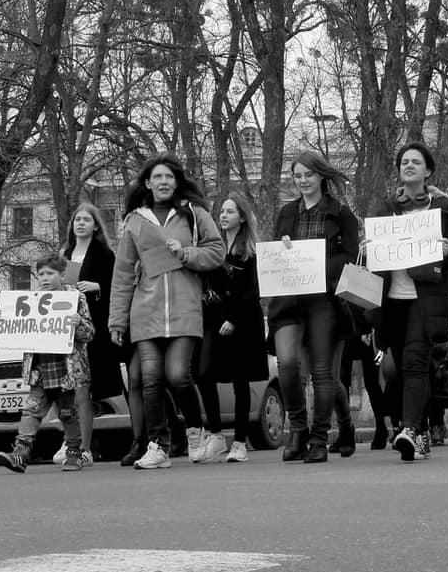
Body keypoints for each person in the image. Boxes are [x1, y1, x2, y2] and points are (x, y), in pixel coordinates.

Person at [108, 153, 224, 470]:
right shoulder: (134, 221)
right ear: (147, 183)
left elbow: (217, 251)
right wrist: (116, 320)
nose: (163, 182)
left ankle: (195, 431)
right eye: (157, 177)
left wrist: (185, 253)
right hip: (145, 312)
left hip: (185, 311)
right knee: (150, 380)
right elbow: (122, 272)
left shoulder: (194, 214)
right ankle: (157, 445)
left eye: (169, 177)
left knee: (178, 376)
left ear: (177, 182)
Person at [372, 142, 448, 462]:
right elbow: (376, 250)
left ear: (427, 171)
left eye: (415, 162)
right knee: (400, 369)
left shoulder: (443, 209)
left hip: (424, 299)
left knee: (414, 362)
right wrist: (369, 246)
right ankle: (422, 429)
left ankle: (408, 429)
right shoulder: (386, 209)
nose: (409, 166)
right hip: (392, 300)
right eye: (404, 162)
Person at [269, 151, 359, 464]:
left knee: (323, 374)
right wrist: (284, 252)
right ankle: (298, 428)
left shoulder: (341, 213)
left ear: (321, 176)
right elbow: (276, 255)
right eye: (297, 176)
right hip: (290, 301)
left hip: (326, 301)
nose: (303, 181)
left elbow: (350, 257)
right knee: (289, 365)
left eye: (308, 175)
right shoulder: (286, 213)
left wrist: (316, 260)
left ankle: (320, 437)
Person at [0, 253, 94, 473]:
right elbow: (16, 331)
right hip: (40, 369)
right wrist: (4, 322)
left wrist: (78, 324)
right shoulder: (30, 301)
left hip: (67, 368)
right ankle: (20, 454)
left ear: (62, 274)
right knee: (31, 410)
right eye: (41, 274)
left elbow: (89, 334)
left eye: (50, 273)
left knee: (68, 413)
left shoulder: (75, 298)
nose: (45, 278)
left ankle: (74, 453)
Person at [196, 194, 268, 463]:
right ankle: (215, 434)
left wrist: (234, 319)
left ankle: (239, 442)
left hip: (243, 322)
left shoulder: (250, 251)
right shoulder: (213, 246)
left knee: (240, 381)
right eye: (221, 211)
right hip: (213, 319)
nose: (223, 216)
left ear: (242, 216)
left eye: (229, 211)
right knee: (203, 373)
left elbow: (253, 290)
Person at [50, 203, 121, 467]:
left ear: (95, 225)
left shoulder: (104, 254)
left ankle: (84, 447)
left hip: (92, 328)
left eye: (86, 219)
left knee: (84, 390)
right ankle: (69, 441)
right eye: (77, 219)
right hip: (64, 330)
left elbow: (119, 285)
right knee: (64, 390)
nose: (80, 223)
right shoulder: (64, 253)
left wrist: (97, 285)